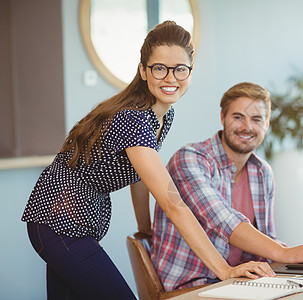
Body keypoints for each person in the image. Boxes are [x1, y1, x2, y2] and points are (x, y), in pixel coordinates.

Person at [21, 22, 274, 300]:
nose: (170, 78)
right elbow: (173, 204)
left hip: (66, 223)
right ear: (143, 70)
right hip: (59, 223)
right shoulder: (135, 119)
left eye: (180, 69)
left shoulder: (161, 115)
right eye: (159, 68)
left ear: (190, 72)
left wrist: (145, 229)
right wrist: (224, 270)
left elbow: (140, 174)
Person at [151, 82, 303, 291]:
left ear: (266, 123)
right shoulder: (190, 159)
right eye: (238, 117)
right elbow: (224, 221)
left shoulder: (262, 172)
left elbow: (266, 246)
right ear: (222, 117)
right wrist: (285, 253)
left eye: (256, 119)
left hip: (240, 282)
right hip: (190, 288)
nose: (247, 127)